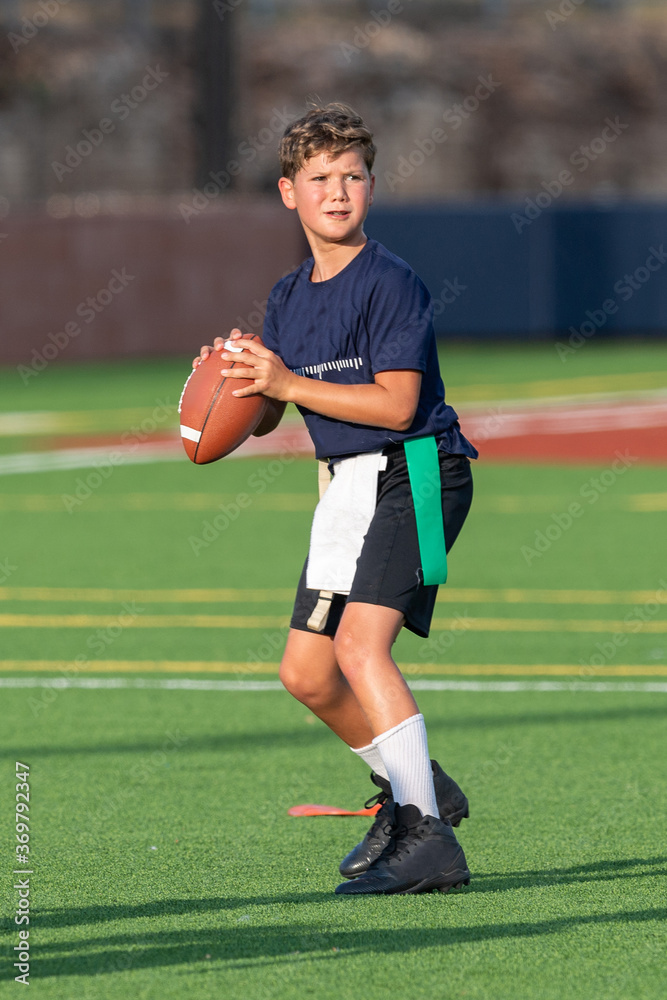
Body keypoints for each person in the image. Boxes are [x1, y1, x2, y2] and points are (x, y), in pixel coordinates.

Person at [194, 103, 478, 896]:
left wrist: (284, 381)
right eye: (319, 178)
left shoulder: (390, 281)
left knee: (360, 647)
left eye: (352, 176)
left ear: (371, 187)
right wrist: (240, 382)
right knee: (307, 674)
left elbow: (394, 405)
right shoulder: (287, 295)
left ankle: (428, 841)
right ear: (289, 192)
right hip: (346, 483)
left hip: (415, 467)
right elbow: (270, 418)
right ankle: (416, 789)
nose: (337, 191)